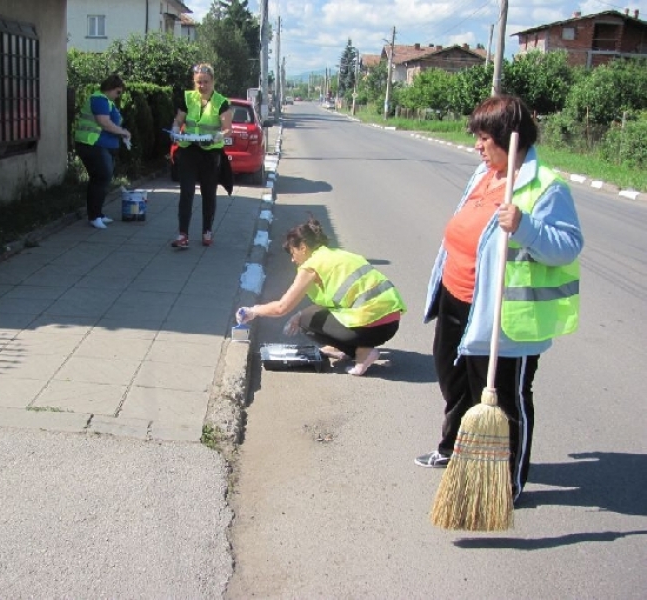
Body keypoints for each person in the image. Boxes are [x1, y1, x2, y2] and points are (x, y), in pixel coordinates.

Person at [415, 95, 583, 504]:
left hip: (505, 315)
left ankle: (507, 482)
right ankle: (454, 448)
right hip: (457, 297)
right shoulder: (484, 173)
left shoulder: (544, 186)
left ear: (511, 137)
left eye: (485, 137)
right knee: (454, 382)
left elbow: (568, 245)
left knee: (507, 400)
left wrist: (525, 227)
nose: (477, 145)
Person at [236, 216, 406, 376]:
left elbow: (282, 308)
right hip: (391, 322)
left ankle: (364, 353)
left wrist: (254, 310)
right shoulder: (336, 254)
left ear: (303, 247)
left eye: (292, 252)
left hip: (371, 325)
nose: (293, 260)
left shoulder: (312, 265)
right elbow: (333, 303)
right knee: (306, 315)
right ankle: (341, 348)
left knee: (306, 321)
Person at [169, 63, 233, 248]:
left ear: (213, 81)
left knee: (208, 194)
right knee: (186, 192)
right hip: (188, 148)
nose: (201, 86)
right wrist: (175, 129)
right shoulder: (188, 98)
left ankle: (207, 231)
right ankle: (183, 234)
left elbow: (227, 129)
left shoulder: (221, 102)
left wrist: (216, 137)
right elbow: (179, 119)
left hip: (210, 152)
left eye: (205, 82)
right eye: (198, 82)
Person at [74, 73, 131, 229]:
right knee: (101, 177)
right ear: (110, 88)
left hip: (102, 145)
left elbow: (111, 123)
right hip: (92, 144)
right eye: (118, 92)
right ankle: (93, 216)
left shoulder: (107, 101)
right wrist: (122, 132)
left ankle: (98, 213)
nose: (119, 96)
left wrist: (121, 132)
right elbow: (104, 123)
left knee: (103, 179)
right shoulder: (99, 99)